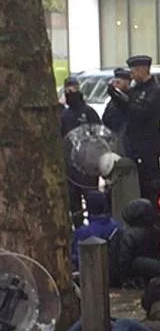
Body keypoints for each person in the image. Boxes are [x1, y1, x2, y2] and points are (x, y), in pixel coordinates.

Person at [107, 55, 160, 206]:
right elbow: (125, 112)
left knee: (150, 186)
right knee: (135, 186)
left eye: (134, 72)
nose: (131, 75)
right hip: (133, 145)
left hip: (148, 146)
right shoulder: (134, 90)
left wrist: (123, 101)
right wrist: (116, 97)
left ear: (142, 70)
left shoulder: (156, 91)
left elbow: (143, 113)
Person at [60, 76, 102, 228]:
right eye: (68, 89)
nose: (71, 91)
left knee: (91, 197)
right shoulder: (64, 115)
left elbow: (98, 135)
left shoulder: (89, 112)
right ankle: (78, 227)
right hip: (71, 166)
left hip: (87, 164)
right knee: (74, 201)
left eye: (74, 88)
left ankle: (94, 225)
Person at [102, 68, 133, 156]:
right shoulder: (113, 100)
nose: (115, 85)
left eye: (118, 82)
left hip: (126, 140)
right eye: (114, 82)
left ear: (127, 82)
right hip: (113, 138)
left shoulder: (131, 97)